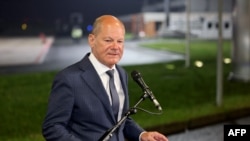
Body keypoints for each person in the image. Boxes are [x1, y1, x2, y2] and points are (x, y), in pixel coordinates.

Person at [42, 15, 168, 141]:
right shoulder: (69, 79)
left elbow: (119, 119)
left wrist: (142, 135)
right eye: (108, 40)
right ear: (92, 40)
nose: (115, 47)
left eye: (120, 41)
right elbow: (53, 127)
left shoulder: (121, 74)